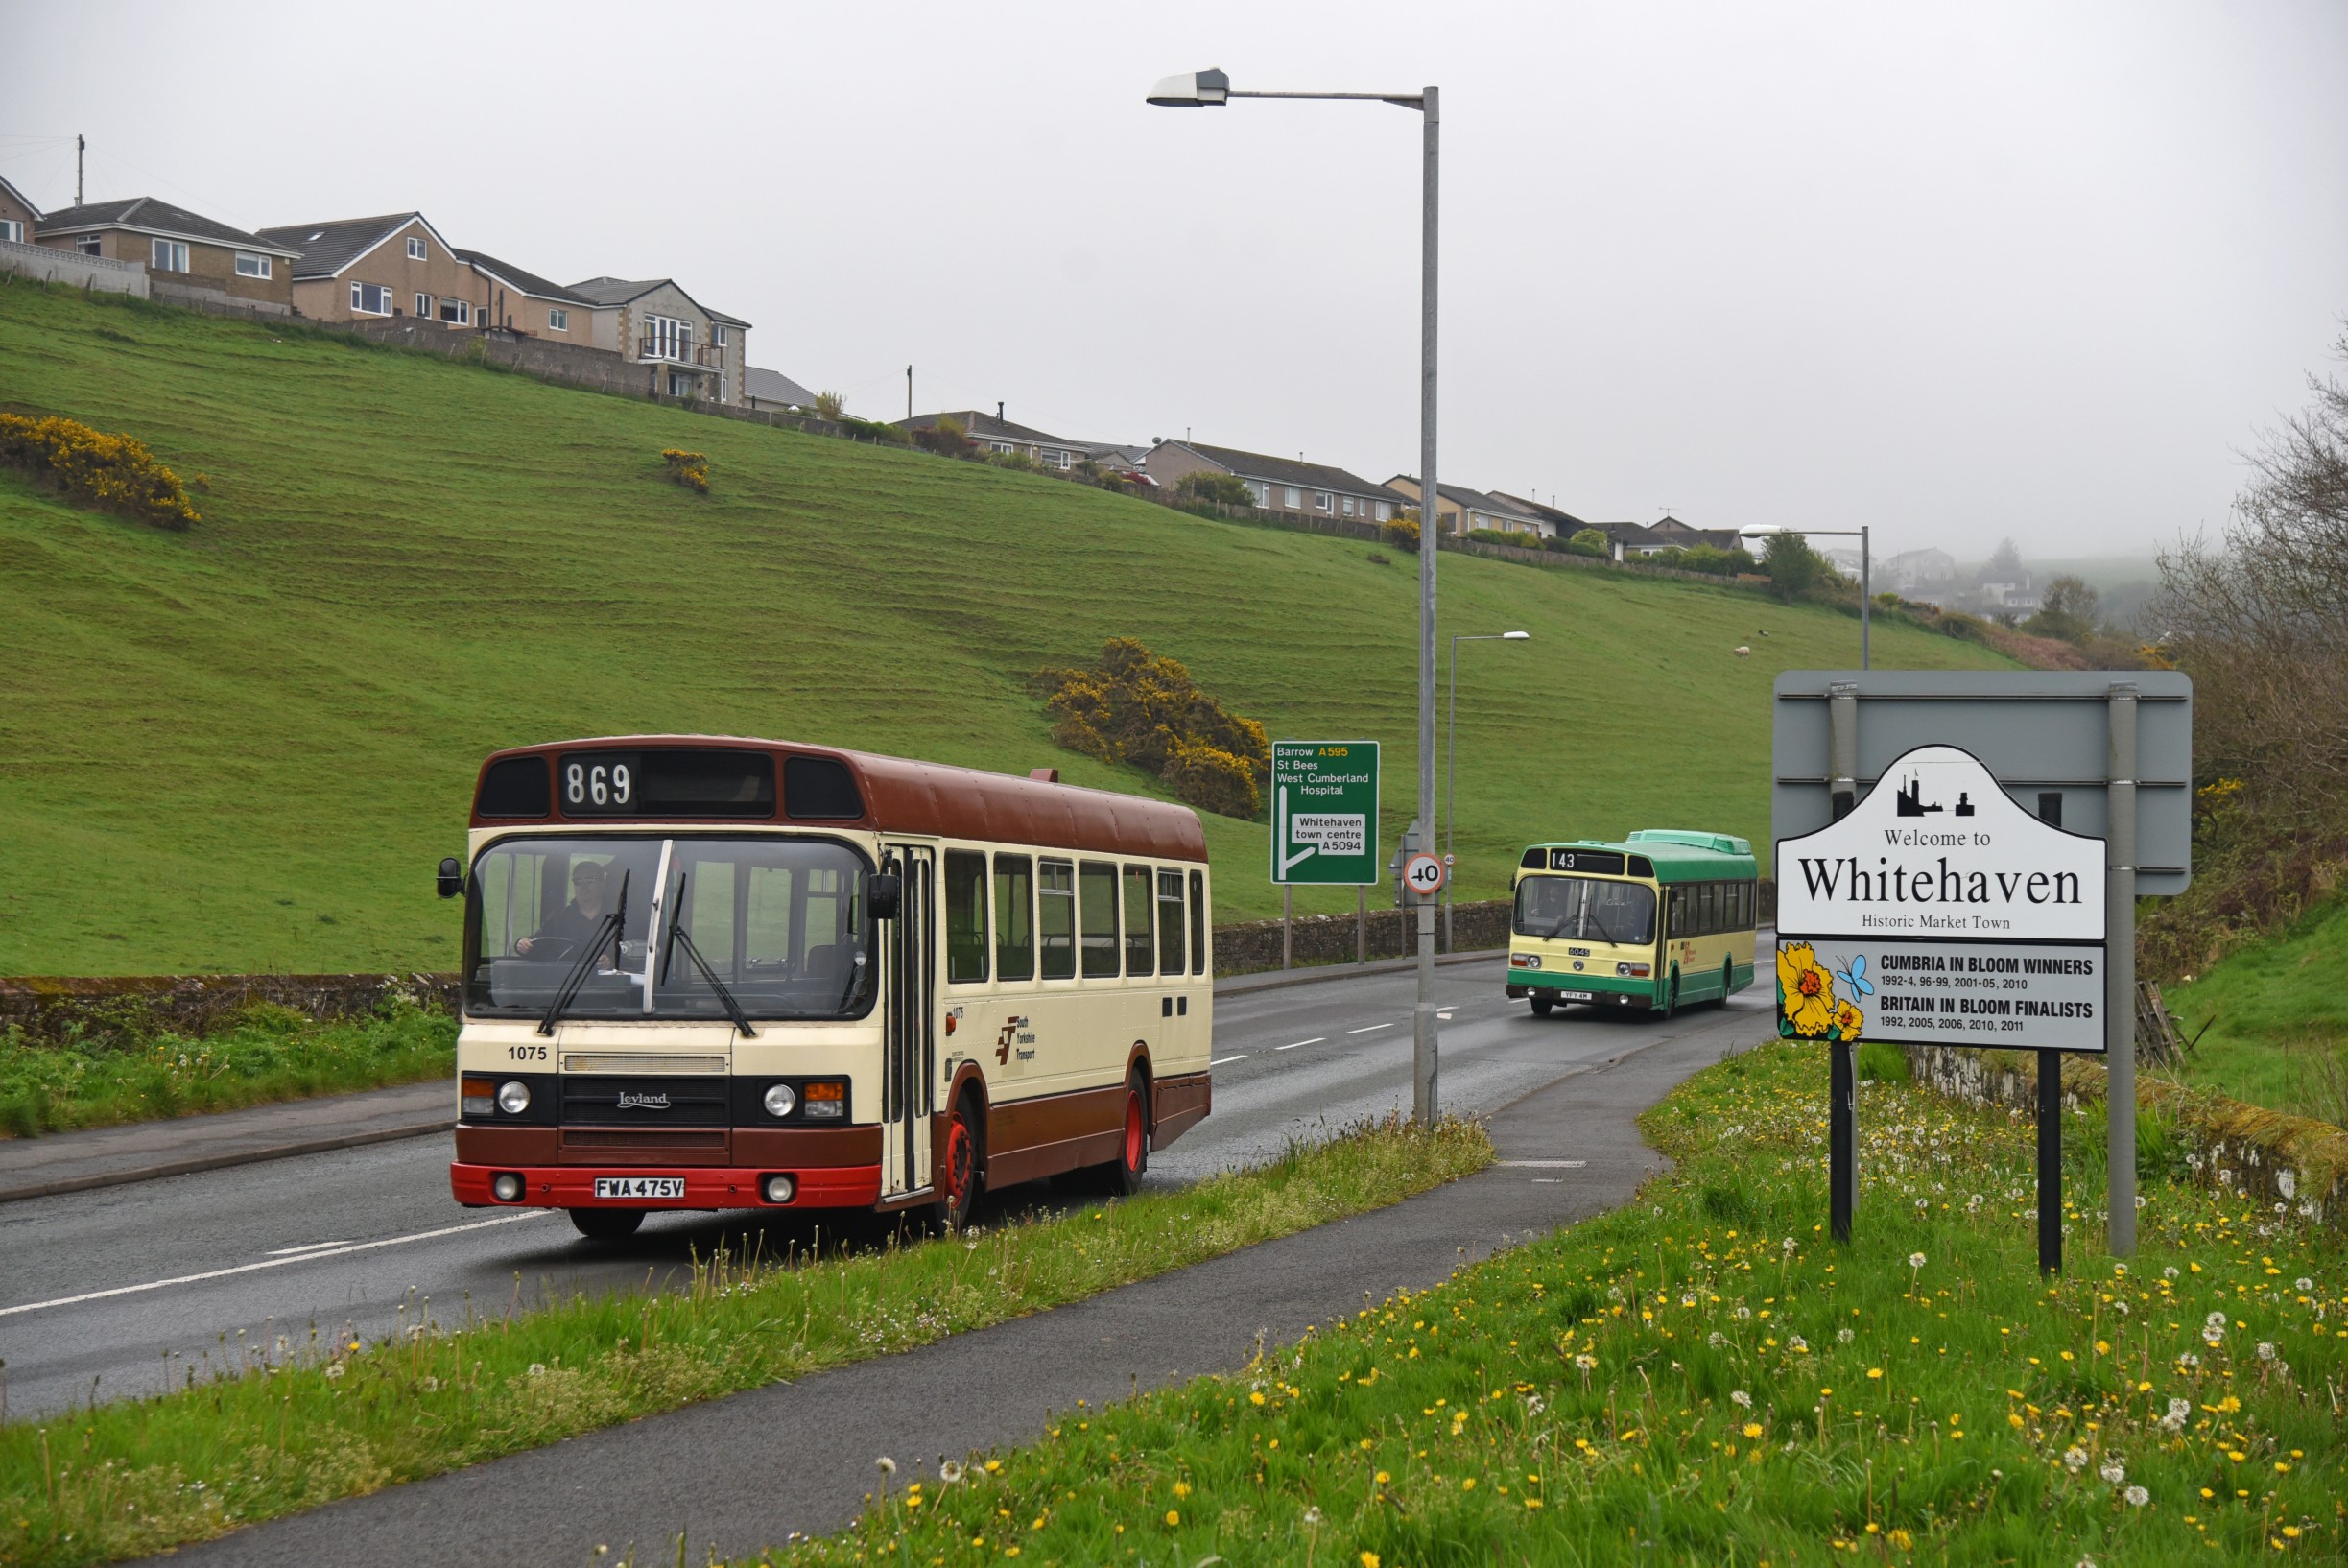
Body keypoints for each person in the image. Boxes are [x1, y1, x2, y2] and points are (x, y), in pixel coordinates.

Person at [518, 860, 615, 958]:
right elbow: (536, 945)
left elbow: (628, 953)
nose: (583, 886)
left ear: (602, 884)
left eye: (589, 880)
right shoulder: (559, 918)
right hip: (567, 973)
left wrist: (612, 960)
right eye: (578, 881)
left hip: (607, 973)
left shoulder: (618, 918)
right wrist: (522, 944)